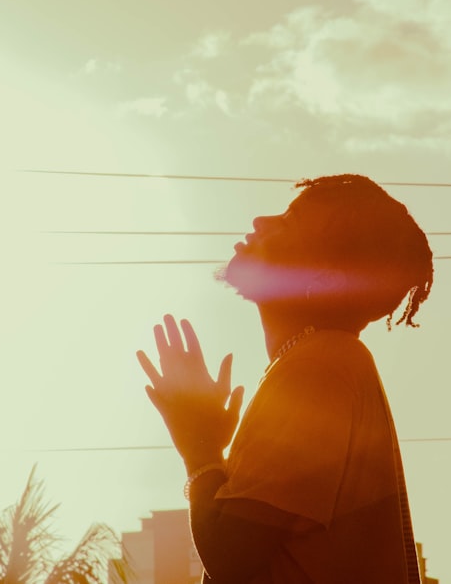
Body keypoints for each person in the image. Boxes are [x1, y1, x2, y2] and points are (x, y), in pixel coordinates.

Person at [136, 174, 434, 583]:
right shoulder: (322, 361)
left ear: (324, 279)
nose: (262, 220)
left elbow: (231, 557)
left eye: (290, 221)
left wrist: (199, 448)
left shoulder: (319, 367)